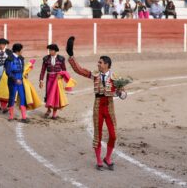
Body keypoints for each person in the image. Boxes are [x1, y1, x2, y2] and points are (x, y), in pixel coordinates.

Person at [66, 36, 127, 171]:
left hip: (109, 107)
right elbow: (79, 70)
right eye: (98, 62)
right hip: (98, 106)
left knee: (113, 135)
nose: (98, 64)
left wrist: (120, 93)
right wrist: (71, 56)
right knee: (97, 134)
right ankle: (99, 160)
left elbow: (123, 94)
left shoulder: (115, 78)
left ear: (106, 65)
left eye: (100, 63)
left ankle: (108, 158)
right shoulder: (95, 75)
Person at [39, 44, 68, 119]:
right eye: (49, 50)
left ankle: (54, 114)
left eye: (51, 50)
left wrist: (61, 76)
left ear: (55, 51)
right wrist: (41, 80)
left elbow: (64, 70)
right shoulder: (46, 59)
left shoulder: (61, 59)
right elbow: (43, 70)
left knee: (55, 95)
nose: (50, 51)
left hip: (57, 79)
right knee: (48, 94)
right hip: (49, 78)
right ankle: (48, 110)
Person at [4, 43, 29, 123]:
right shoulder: (10, 59)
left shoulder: (21, 58)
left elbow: (22, 69)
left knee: (22, 97)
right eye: (22, 49)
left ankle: (24, 117)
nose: (22, 51)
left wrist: (25, 74)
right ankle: (11, 116)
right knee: (12, 97)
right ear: (18, 50)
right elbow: (8, 72)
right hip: (12, 81)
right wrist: (15, 79)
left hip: (20, 80)